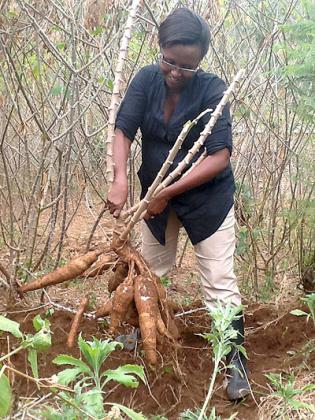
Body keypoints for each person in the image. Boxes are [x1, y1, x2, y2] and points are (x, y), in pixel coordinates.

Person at [107, 7, 250, 401]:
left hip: (208, 202)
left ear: (200, 60)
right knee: (148, 271)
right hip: (155, 200)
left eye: (186, 66)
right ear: (161, 50)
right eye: (169, 61)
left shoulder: (212, 91)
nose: (174, 72)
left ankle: (234, 359)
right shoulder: (146, 80)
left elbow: (220, 154)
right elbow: (123, 129)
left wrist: (169, 191)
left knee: (219, 281)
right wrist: (120, 178)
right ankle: (136, 337)